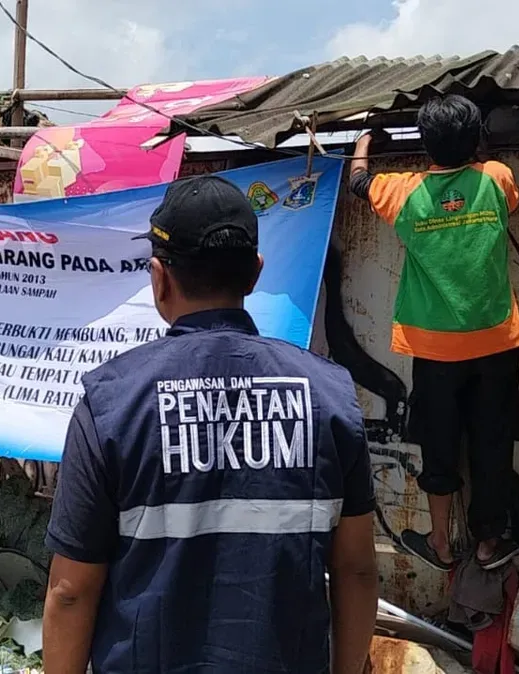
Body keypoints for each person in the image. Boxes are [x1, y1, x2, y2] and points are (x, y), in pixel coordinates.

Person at [42, 175, 379, 673]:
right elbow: (355, 568)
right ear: (255, 273)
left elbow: (71, 591)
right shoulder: (328, 395)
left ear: (159, 277)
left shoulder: (110, 402)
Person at [347, 94, 519, 572]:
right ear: (476, 140)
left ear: (426, 144)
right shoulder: (496, 179)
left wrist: (367, 138)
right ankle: (489, 544)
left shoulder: (403, 191)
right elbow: (510, 197)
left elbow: (358, 182)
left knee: (439, 446)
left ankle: (441, 544)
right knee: (493, 441)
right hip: (495, 341)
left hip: (432, 345)